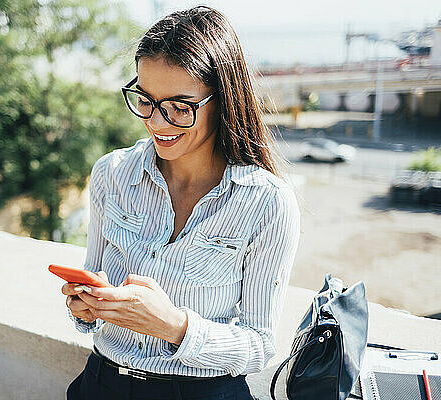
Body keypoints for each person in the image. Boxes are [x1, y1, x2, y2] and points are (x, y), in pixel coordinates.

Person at [61, 5, 301, 400]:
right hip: (100, 384)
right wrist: (85, 306)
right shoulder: (111, 174)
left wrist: (173, 325)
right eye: (145, 99)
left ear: (222, 101)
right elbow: (94, 277)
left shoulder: (268, 202)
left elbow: (259, 345)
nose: (156, 122)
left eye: (179, 107)